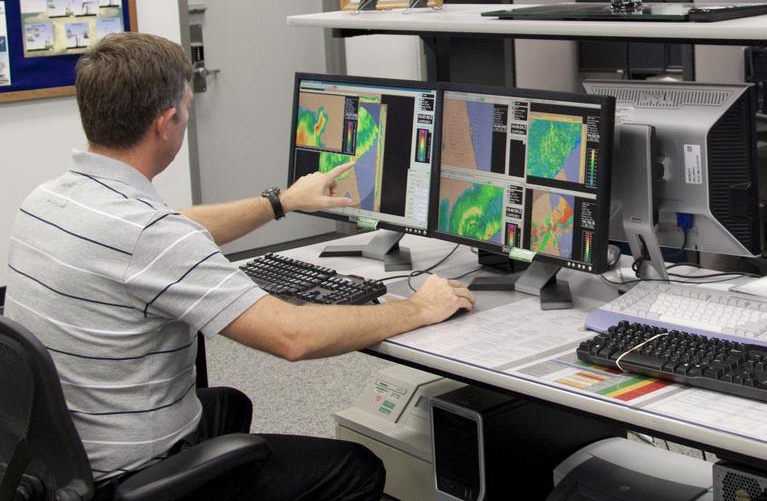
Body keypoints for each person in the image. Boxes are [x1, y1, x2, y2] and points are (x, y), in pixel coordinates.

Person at [6, 32, 475, 500]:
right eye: (187, 109)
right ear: (167, 122)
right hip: (121, 475)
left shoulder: (48, 199)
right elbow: (294, 337)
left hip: (55, 461)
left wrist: (282, 202)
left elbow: (173, 225)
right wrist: (416, 309)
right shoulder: (152, 238)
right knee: (355, 467)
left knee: (230, 405)